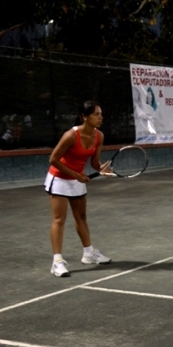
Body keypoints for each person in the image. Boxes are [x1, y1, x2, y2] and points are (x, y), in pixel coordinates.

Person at [44, 100, 112, 277]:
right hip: (59, 178)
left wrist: (101, 167)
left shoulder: (99, 136)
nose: (100, 117)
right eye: (96, 114)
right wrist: (76, 175)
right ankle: (57, 262)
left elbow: (95, 162)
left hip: (77, 178)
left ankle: (89, 254)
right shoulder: (70, 136)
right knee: (59, 219)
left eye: (101, 114)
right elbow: (53, 159)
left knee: (81, 217)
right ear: (84, 117)